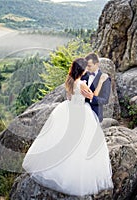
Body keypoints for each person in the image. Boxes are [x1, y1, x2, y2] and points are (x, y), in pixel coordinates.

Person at [22, 58, 113, 196]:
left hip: (68, 109)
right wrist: (100, 82)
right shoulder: (81, 84)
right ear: (81, 70)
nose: (87, 70)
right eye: (85, 68)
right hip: (80, 112)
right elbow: (92, 96)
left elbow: (69, 98)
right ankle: (73, 176)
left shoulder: (70, 81)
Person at [81, 53, 111, 123]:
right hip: (81, 113)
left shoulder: (104, 78)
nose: (87, 68)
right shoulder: (83, 76)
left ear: (96, 64)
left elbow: (105, 100)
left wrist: (92, 98)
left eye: (89, 66)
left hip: (95, 114)